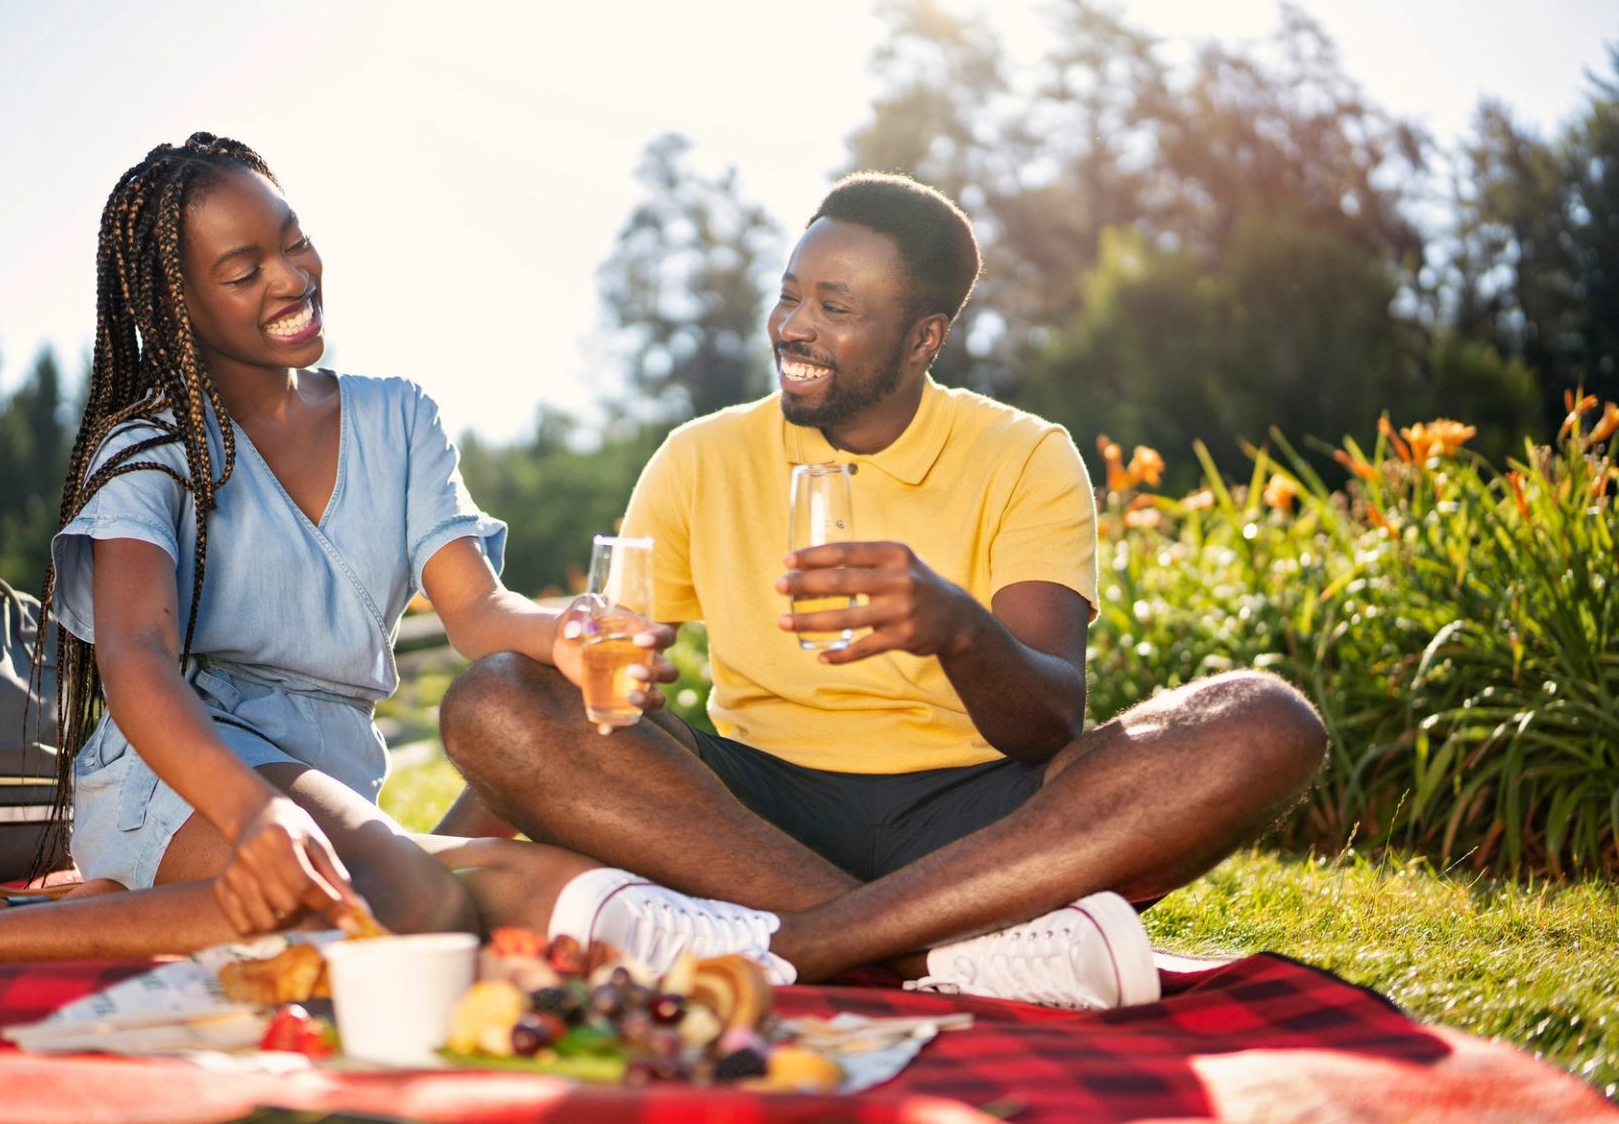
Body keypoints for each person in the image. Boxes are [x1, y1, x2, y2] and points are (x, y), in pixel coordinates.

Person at [0, 134, 792, 977]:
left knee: (524, 774)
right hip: (187, 774)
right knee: (418, 904)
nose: (288, 275)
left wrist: (566, 632)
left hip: (339, 783)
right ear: (180, 300)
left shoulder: (398, 417)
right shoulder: (155, 445)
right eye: (242, 267)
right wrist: (255, 812)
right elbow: (131, 655)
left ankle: (60, 914)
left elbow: (478, 615)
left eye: (291, 237)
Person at [435, 172, 1330, 1009]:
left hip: (979, 819)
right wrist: (433, 851)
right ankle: (939, 954)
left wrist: (955, 628)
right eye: (790, 295)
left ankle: (794, 946)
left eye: (836, 308)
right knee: (494, 695)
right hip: (749, 821)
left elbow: (1051, 723)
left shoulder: (1024, 454)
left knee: (1266, 718)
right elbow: (581, 693)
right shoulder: (701, 455)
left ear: (923, 337)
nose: (794, 326)